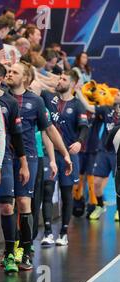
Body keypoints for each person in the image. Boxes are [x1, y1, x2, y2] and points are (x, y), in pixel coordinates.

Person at [5, 61, 72, 270]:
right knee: (7, 206)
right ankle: (9, 252)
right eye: (8, 70)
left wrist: (64, 154)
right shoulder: (0, 98)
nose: (9, 74)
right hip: (5, 158)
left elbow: (50, 130)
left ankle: (25, 251)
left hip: (29, 158)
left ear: (25, 78)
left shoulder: (35, 101)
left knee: (24, 203)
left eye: (14, 72)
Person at [0, 61, 29, 273]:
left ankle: (10, 253)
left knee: (7, 206)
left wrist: (23, 163)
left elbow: (17, 135)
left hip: (5, 159)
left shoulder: (10, 102)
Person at [41, 70, 89, 245]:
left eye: (63, 79)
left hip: (68, 154)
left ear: (74, 84)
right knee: (47, 189)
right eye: (59, 78)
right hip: (49, 153)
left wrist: (79, 142)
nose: (60, 81)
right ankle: (47, 232)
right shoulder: (49, 98)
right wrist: (48, 79)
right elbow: (36, 85)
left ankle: (63, 232)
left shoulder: (77, 105)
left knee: (66, 192)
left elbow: (84, 127)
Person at [77, 89, 120, 220]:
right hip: (104, 152)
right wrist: (78, 90)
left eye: (119, 94)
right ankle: (100, 206)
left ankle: (118, 210)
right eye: (116, 94)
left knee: (119, 185)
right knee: (96, 182)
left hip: (117, 153)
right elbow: (88, 107)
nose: (116, 95)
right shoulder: (106, 110)